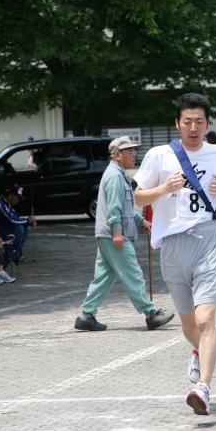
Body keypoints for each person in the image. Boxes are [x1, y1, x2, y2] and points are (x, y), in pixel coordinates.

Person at [133, 93, 216, 416]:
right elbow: (138, 197)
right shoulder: (159, 155)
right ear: (177, 123)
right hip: (173, 245)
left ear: (207, 124)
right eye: (188, 122)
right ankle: (198, 352)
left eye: (199, 122)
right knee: (190, 327)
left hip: (208, 241)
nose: (194, 128)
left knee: (206, 319)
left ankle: (202, 388)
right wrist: (163, 189)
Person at [74, 136, 174, 332]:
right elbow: (114, 209)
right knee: (132, 274)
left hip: (106, 235)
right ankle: (150, 313)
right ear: (116, 155)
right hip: (113, 235)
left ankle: (86, 315)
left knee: (103, 276)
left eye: (133, 151)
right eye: (129, 152)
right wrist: (117, 233)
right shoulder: (114, 176)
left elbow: (124, 208)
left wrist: (140, 220)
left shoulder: (118, 174)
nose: (133, 155)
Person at [0, 184, 36, 264]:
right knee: (19, 228)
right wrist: (28, 221)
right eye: (17, 197)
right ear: (10, 195)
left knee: (24, 227)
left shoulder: (8, 205)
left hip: (2, 230)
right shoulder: (0, 205)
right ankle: (11, 254)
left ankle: (16, 253)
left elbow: (17, 218)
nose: (18, 200)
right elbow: (11, 221)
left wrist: (28, 222)